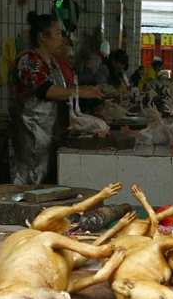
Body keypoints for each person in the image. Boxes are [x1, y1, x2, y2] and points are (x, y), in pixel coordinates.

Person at [9, 11, 103, 185]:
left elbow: (62, 89)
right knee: (29, 186)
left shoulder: (52, 63)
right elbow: (45, 90)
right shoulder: (28, 59)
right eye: (58, 33)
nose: (62, 39)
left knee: (49, 185)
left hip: (52, 137)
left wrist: (85, 89)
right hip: (31, 138)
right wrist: (80, 92)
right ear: (43, 37)